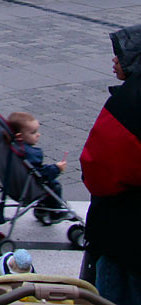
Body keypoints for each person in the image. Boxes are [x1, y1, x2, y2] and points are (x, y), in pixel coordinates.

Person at [80, 24, 141, 305]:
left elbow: (98, 169)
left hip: (123, 233)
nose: (114, 60)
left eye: (121, 54)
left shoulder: (130, 102)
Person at [7, 111, 68, 213]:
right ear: (19, 136)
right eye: (33, 132)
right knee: (54, 186)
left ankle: (43, 208)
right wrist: (57, 168)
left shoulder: (10, 148)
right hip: (27, 189)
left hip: (12, 185)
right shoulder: (28, 153)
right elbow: (40, 175)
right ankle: (54, 212)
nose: (38, 135)